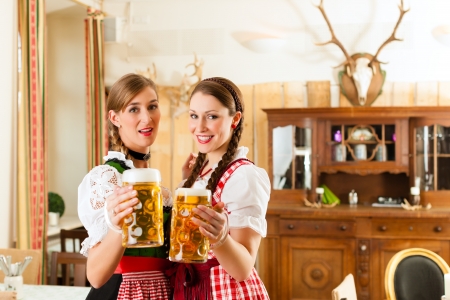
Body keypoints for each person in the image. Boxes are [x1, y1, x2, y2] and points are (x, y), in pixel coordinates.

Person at [170, 77, 271, 299]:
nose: (200, 127)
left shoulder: (244, 177)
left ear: (234, 120)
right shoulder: (199, 174)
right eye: (194, 115)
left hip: (222, 291)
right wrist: (187, 183)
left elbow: (244, 269)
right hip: (188, 287)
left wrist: (221, 238)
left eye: (212, 116)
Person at [78, 73, 173, 300]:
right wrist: (115, 225)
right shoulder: (106, 178)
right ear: (115, 117)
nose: (147, 118)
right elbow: (96, 276)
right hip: (122, 292)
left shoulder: (156, 185)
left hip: (160, 291)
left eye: (152, 107)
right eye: (133, 109)